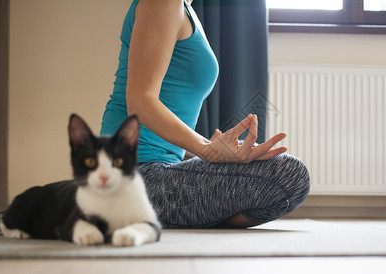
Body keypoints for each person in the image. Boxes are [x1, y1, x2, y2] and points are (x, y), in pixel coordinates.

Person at [100, 0, 310, 229]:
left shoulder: (185, 8)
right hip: (131, 173)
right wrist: (206, 150)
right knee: (290, 175)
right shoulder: (163, 2)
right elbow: (140, 101)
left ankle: (174, 219)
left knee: (270, 164)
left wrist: (219, 148)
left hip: (159, 168)